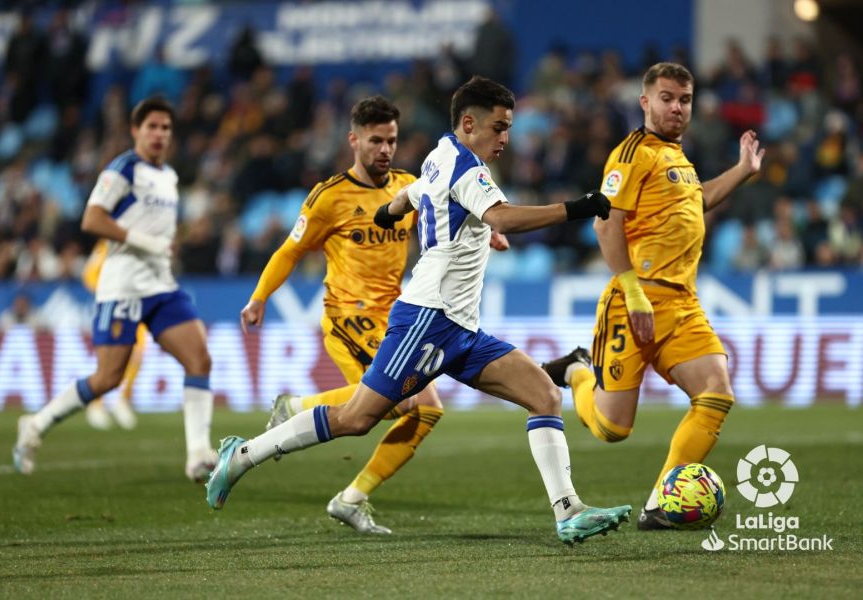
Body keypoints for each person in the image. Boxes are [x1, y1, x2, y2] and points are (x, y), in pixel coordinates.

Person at [209, 76, 630, 546]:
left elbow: (407, 198)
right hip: (427, 319)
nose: (505, 138)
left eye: (507, 128)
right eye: (498, 127)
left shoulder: (437, 156)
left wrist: (388, 212)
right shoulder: (465, 169)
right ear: (469, 123)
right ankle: (242, 455)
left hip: (462, 329)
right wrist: (578, 207)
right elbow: (504, 217)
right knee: (356, 418)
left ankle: (568, 512)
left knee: (544, 396)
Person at [546, 63, 764, 530]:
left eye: (684, 100)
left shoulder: (677, 159)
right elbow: (605, 223)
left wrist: (744, 170)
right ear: (645, 101)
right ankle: (576, 371)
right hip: (633, 301)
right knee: (611, 429)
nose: (677, 108)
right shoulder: (632, 154)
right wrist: (632, 291)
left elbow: (698, 199)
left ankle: (660, 504)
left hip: (682, 304)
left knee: (716, 392)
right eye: (667, 98)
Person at [239, 96, 447, 534]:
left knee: (425, 411)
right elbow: (290, 250)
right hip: (348, 314)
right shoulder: (329, 197)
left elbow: (448, 220)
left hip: (396, 314)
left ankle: (350, 497)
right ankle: (295, 409)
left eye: (391, 140)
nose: (385, 149)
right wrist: (259, 297)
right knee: (408, 400)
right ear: (354, 140)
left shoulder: (410, 186)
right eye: (375, 140)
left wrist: (491, 236)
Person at [13, 97, 218, 482]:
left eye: (166, 128)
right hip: (122, 288)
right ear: (135, 130)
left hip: (161, 287)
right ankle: (35, 424)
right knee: (108, 378)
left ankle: (197, 456)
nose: (159, 134)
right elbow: (92, 219)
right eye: (152, 127)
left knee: (199, 360)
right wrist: (144, 241)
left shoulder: (170, 177)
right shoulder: (122, 170)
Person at [81, 240, 141, 431]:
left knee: (138, 352)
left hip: (136, 305)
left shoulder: (139, 244)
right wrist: (109, 290)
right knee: (108, 357)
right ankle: (96, 404)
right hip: (112, 305)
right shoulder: (106, 245)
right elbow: (89, 274)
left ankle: (122, 400)